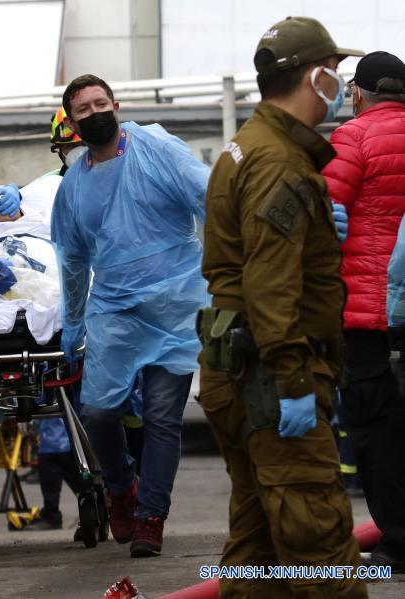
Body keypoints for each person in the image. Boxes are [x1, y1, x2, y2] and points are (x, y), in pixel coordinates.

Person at [199, 16, 367, 596]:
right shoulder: (280, 163)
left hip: (237, 368)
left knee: (259, 549)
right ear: (317, 77)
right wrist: (294, 379)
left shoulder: (245, 149)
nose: (342, 85)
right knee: (320, 546)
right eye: (337, 73)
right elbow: (271, 287)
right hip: (272, 380)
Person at [51, 74, 210, 558]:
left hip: (176, 304)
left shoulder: (156, 147)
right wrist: (73, 322)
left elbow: (210, 197)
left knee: (162, 417)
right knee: (98, 413)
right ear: (73, 123)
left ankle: (150, 518)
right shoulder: (73, 189)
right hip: (115, 311)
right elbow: (73, 261)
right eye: (84, 108)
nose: (96, 112)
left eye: (102, 102)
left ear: (116, 105)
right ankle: (122, 486)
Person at [321, 49, 405, 572]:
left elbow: (322, 219)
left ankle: (396, 541)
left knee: (375, 431)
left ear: (358, 92)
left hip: (367, 314)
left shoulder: (352, 138)